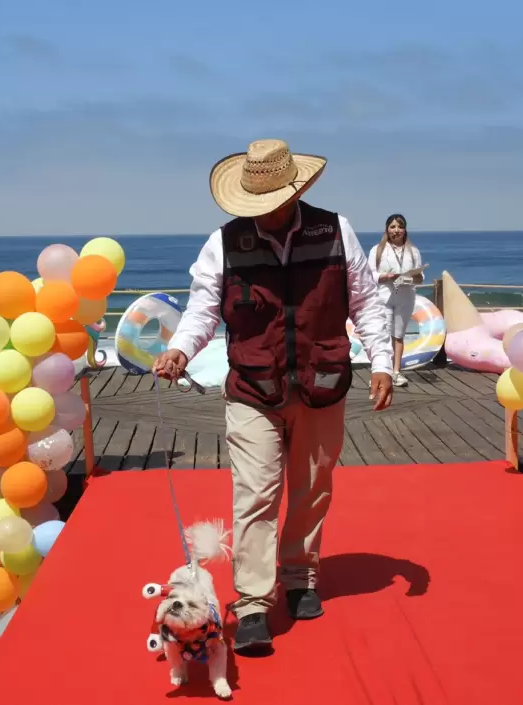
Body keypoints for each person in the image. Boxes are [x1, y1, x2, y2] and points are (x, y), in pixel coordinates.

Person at [154, 139, 394, 655]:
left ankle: (300, 578)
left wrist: (383, 362)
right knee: (256, 495)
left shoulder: (335, 231)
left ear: (294, 192)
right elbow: (202, 310)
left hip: (322, 384)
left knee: (312, 488)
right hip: (252, 391)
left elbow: (367, 302)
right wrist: (180, 349)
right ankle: (254, 603)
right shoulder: (223, 243)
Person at [367, 214, 424, 387]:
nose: (396, 230)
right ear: (387, 229)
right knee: (382, 335)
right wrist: (384, 276)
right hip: (384, 296)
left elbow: (420, 276)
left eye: (399, 227)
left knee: (398, 335)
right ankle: (379, 372)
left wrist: (414, 278)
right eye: (392, 227)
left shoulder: (413, 251)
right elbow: (369, 274)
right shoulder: (377, 250)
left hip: (406, 296)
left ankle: (396, 372)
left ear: (405, 229)